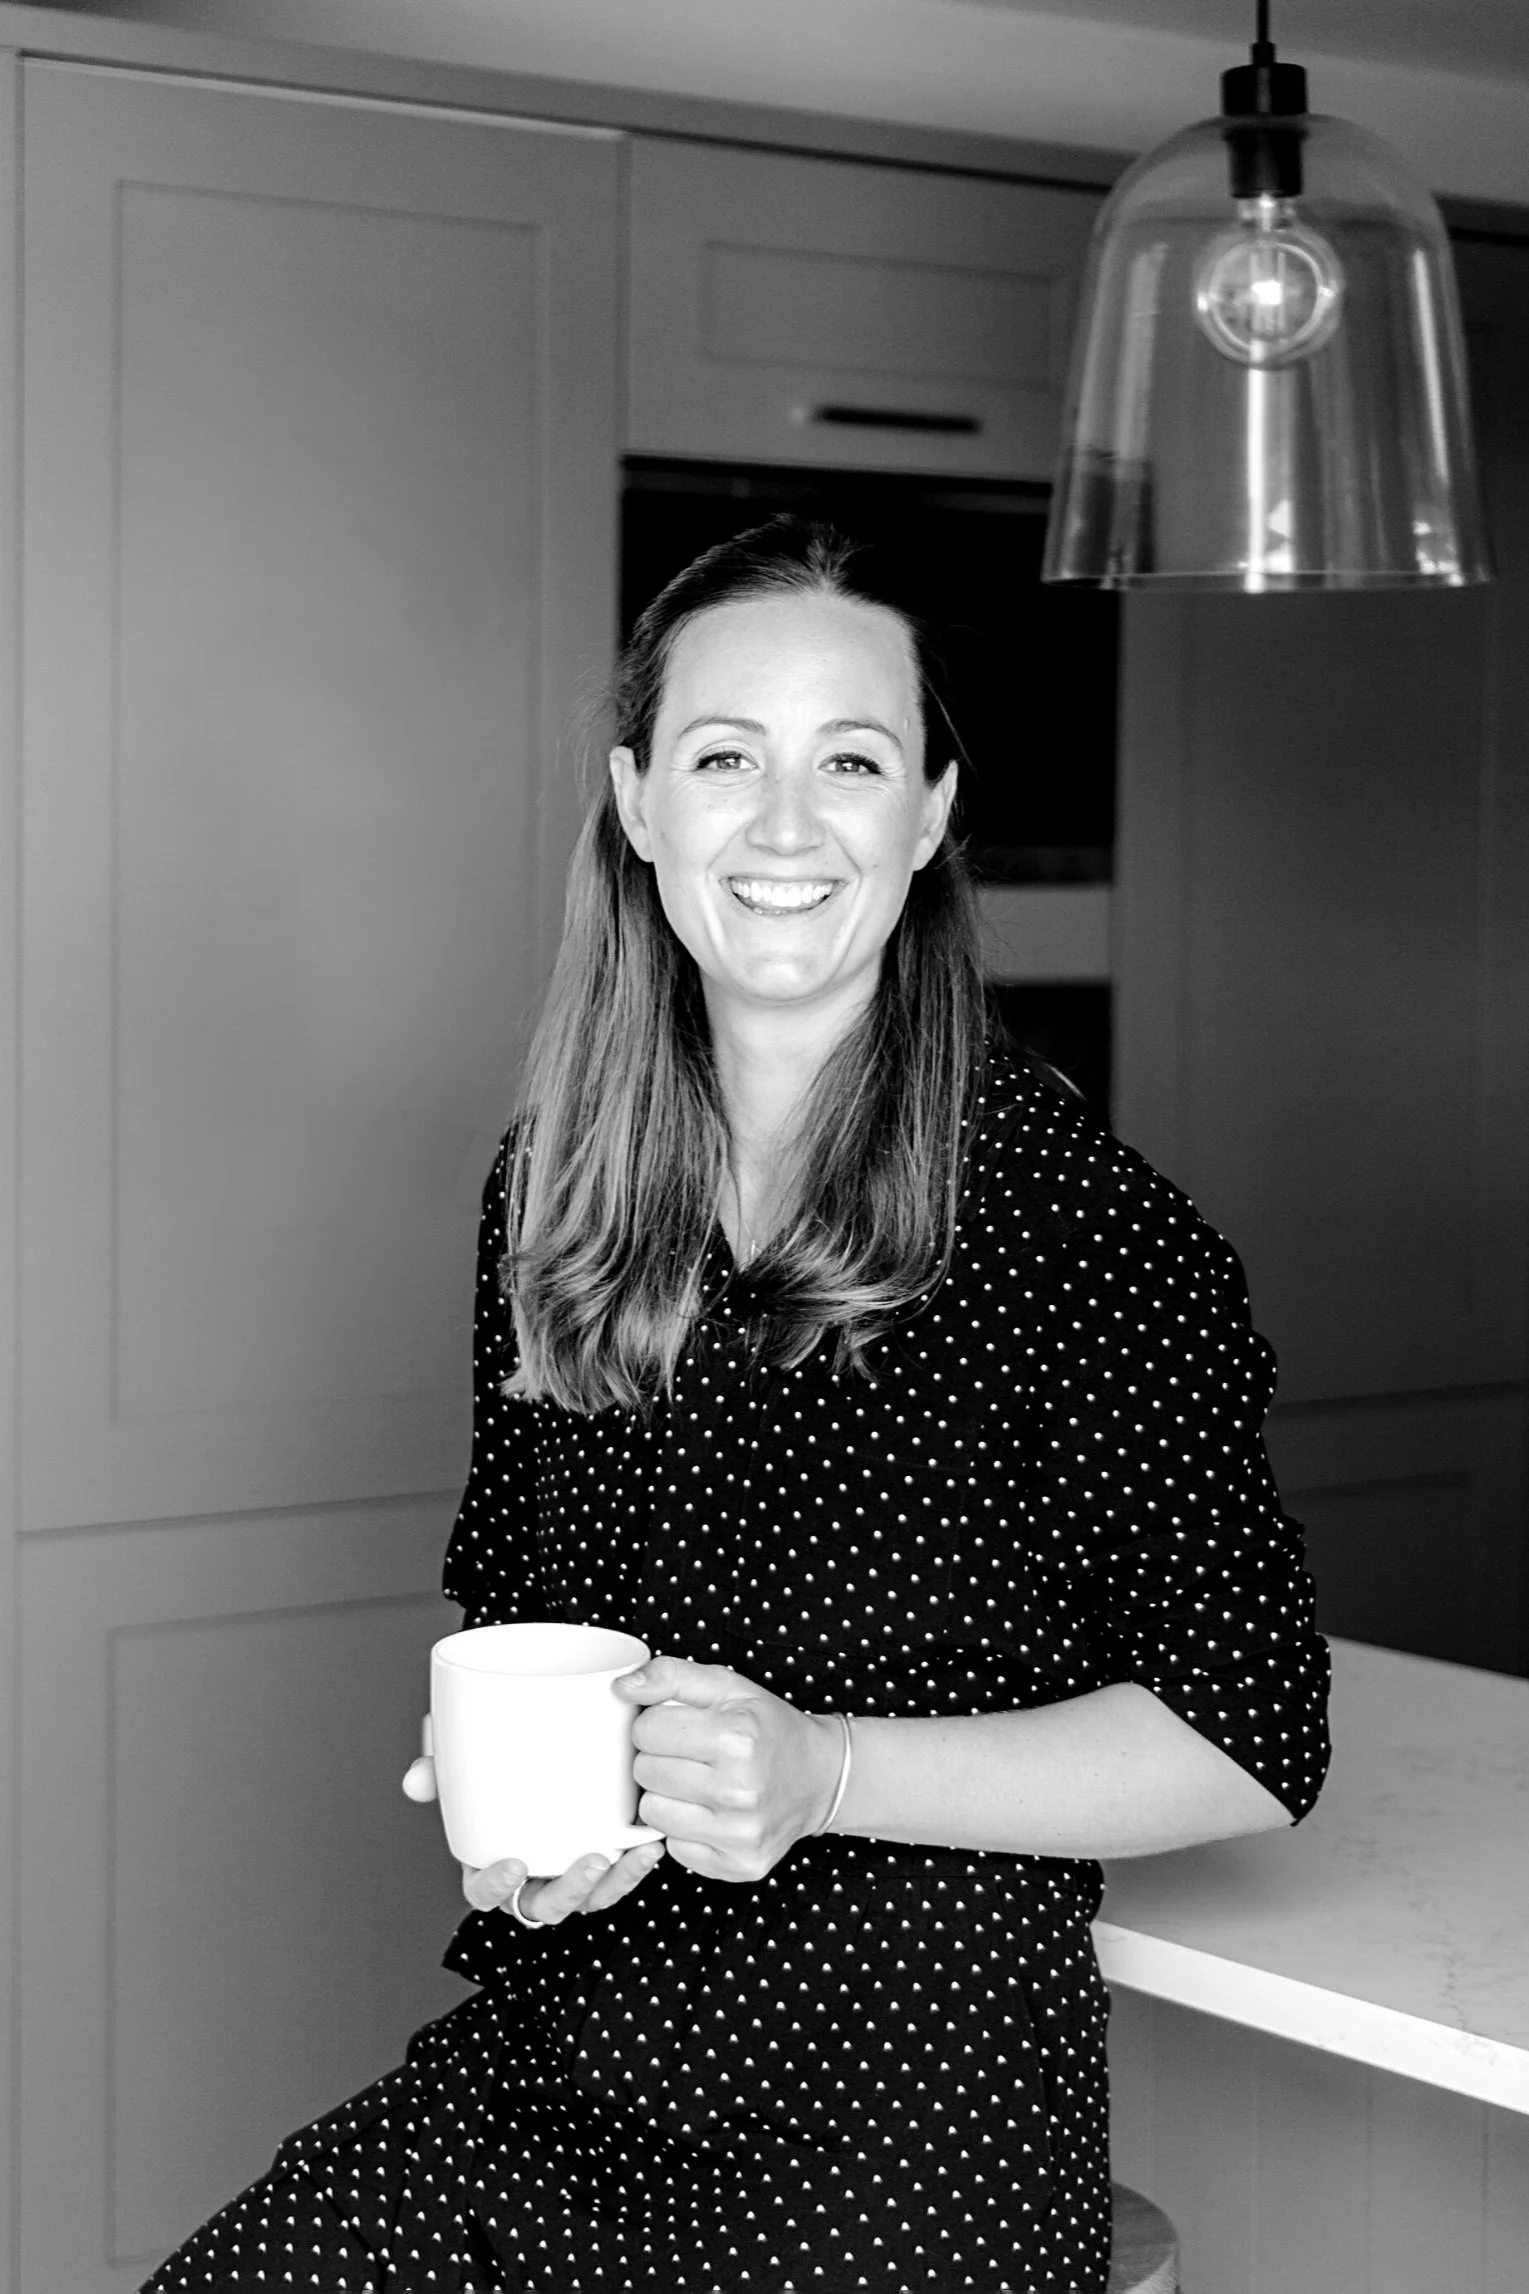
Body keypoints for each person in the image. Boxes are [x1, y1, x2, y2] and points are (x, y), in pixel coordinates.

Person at [145, 516, 1330, 2294]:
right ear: (638, 801)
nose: (785, 825)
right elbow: (528, 1607)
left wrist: (821, 1770)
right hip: (556, 2072)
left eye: (850, 760)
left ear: (927, 815)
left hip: (900, 2123)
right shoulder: (557, 1186)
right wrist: (560, 1811)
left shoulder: (1088, 1235)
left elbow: (1249, 1739)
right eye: (724, 757)